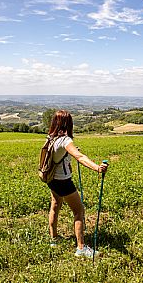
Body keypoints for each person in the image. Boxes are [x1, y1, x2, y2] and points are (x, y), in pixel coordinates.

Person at [46, 110, 108, 258]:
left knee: (55, 206)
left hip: (51, 180)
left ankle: (54, 240)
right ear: (68, 124)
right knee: (79, 211)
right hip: (64, 182)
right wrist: (97, 168)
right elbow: (80, 157)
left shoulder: (51, 138)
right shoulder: (65, 140)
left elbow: (58, 154)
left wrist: (69, 152)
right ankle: (81, 248)